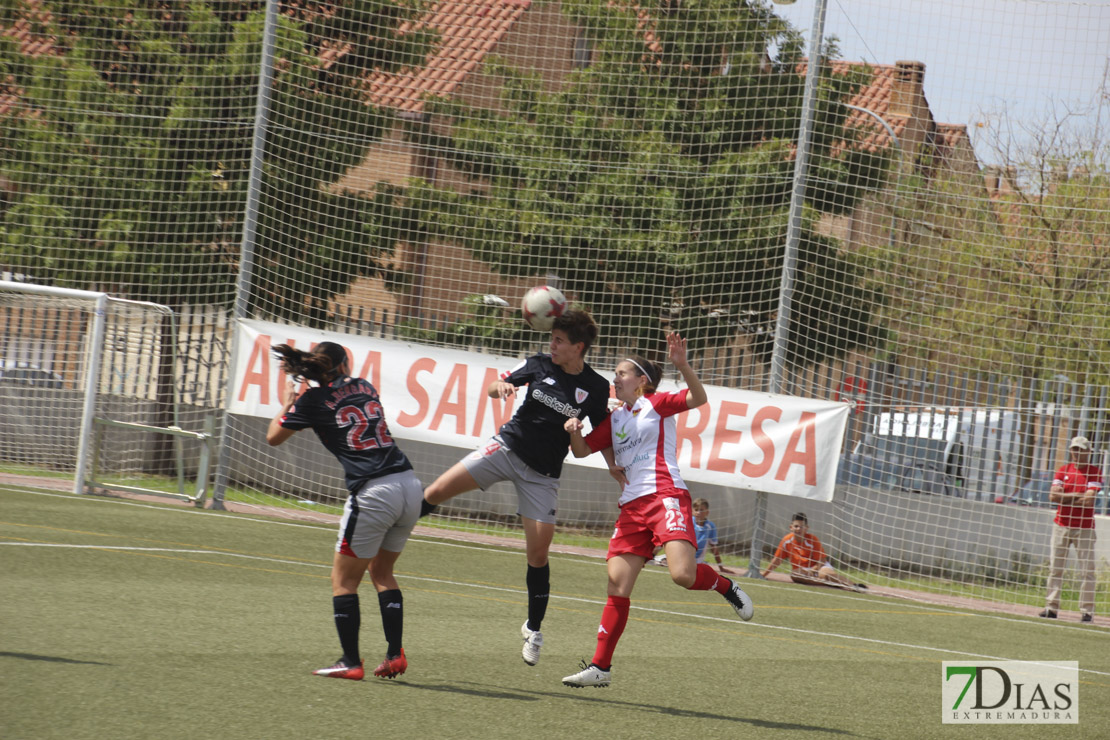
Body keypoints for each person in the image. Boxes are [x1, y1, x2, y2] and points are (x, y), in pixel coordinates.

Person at [420, 309, 616, 666]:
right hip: (506, 448)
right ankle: (390, 534)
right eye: (552, 338)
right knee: (434, 492)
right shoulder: (540, 364)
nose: (552, 345)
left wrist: (616, 468)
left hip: (542, 475)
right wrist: (503, 387)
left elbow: (601, 436)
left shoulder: (598, 388)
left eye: (559, 340)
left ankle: (533, 628)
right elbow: (497, 387)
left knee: (538, 555)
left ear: (579, 347)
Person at [560, 332, 754, 689]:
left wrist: (682, 364)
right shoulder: (615, 419)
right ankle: (601, 668)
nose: (615, 378)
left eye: (621, 373)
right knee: (617, 584)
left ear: (642, 381)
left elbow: (699, 397)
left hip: (665, 496)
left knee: (682, 575)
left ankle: (725, 586)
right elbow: (583, 450)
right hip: (632, 507)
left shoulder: (658, 403)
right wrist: (574, 430)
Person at [267, 341, 423, 680]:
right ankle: (394, 654)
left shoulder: (311, 400)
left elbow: (273, 437)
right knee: (382, 573)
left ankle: (350, 661)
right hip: (409, 484)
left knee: (343, 581)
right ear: (344, 365)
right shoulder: (364, 385)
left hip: (373, 491)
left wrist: (287, 403)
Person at [1039, 435, 1102, 622]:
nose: (1077, 453)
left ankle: (1087, 611)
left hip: (1084, 528)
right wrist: (1077, 495)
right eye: (1075, 449)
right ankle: (1051, 607)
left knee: (1087, 571)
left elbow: (1089, 500)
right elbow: (1052, 497)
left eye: (1081, 450)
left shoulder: (1094, 472)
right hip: (1061, 525)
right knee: (1055, 568)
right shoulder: (1062, 470)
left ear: (1088, 452)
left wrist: (1066, 496)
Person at [761, 513, 866, 592]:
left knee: (825, 574)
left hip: (818, 567)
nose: (798, 529)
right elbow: (777, 560)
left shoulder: (812, 540)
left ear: (806, 528)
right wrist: (764, 574)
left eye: (801, 527)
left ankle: (853, 586)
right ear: (791, 527)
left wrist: (813, 570)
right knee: (795, 575)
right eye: (796, 526)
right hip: (803, 572)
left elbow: (822, 560)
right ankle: (827, 582)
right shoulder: (786, 541)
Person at [652, 497, 732, 573]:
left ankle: (667, 560)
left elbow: (714, 548)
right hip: (682, 556)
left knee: (704, 570)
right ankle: (658, 558)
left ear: (707, 512)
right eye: (696, 510)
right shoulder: (687, 521)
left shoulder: (710, 527)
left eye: (701, 510)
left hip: (697, 561)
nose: (698, 513)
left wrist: (721, 567)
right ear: (692, 511)